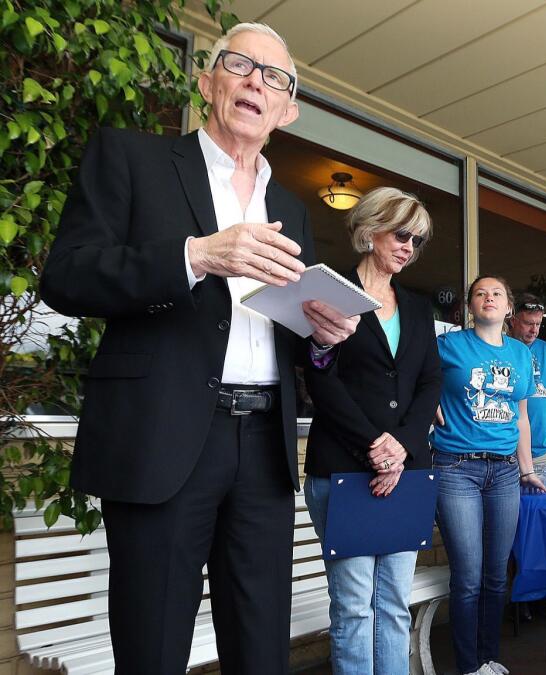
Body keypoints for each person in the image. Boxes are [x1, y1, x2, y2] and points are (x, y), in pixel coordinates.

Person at [39, 23, 360, 672]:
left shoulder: (292, 210)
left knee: (262, 650)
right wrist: (194, 255)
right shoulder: (133, 159)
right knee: (153, 649)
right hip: (164, 436)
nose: (255, 82)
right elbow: (66, 275)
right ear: (208, 81)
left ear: (287, 111)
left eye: (274, 77)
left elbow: (288, 329)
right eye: (239, 64)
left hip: (263, 452)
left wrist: (321, 337)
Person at [302, 188, 442, 673]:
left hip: (407, 471)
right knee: (355, 608)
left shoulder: (419, 307)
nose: (409, 246)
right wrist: (374, 449)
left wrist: (400, 446)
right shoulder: (328, 293)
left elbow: (430, 381)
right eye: (401, 234)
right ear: (371, 229)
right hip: (344, 467)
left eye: (417, 240)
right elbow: (320, 377)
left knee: (393, 605)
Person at [431, 275, 546, 675]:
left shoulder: (520, 355)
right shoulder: (449, 345)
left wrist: (528, 468)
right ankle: (468, 667)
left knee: (496, 575)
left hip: (504, 473)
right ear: (470, 306)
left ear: (508, 307)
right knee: (468, 577)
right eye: (480, 293)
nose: (488, 297)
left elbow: (520, 418)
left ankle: (488, 659)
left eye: (497, 292)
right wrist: (426, 401)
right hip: (456, 469)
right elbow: (410, 371)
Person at [507, 293, 546, 464]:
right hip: (509, 454)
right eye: (528, 324)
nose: (534, 330)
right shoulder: (500, 347)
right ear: (512, 320)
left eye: (538, 324)